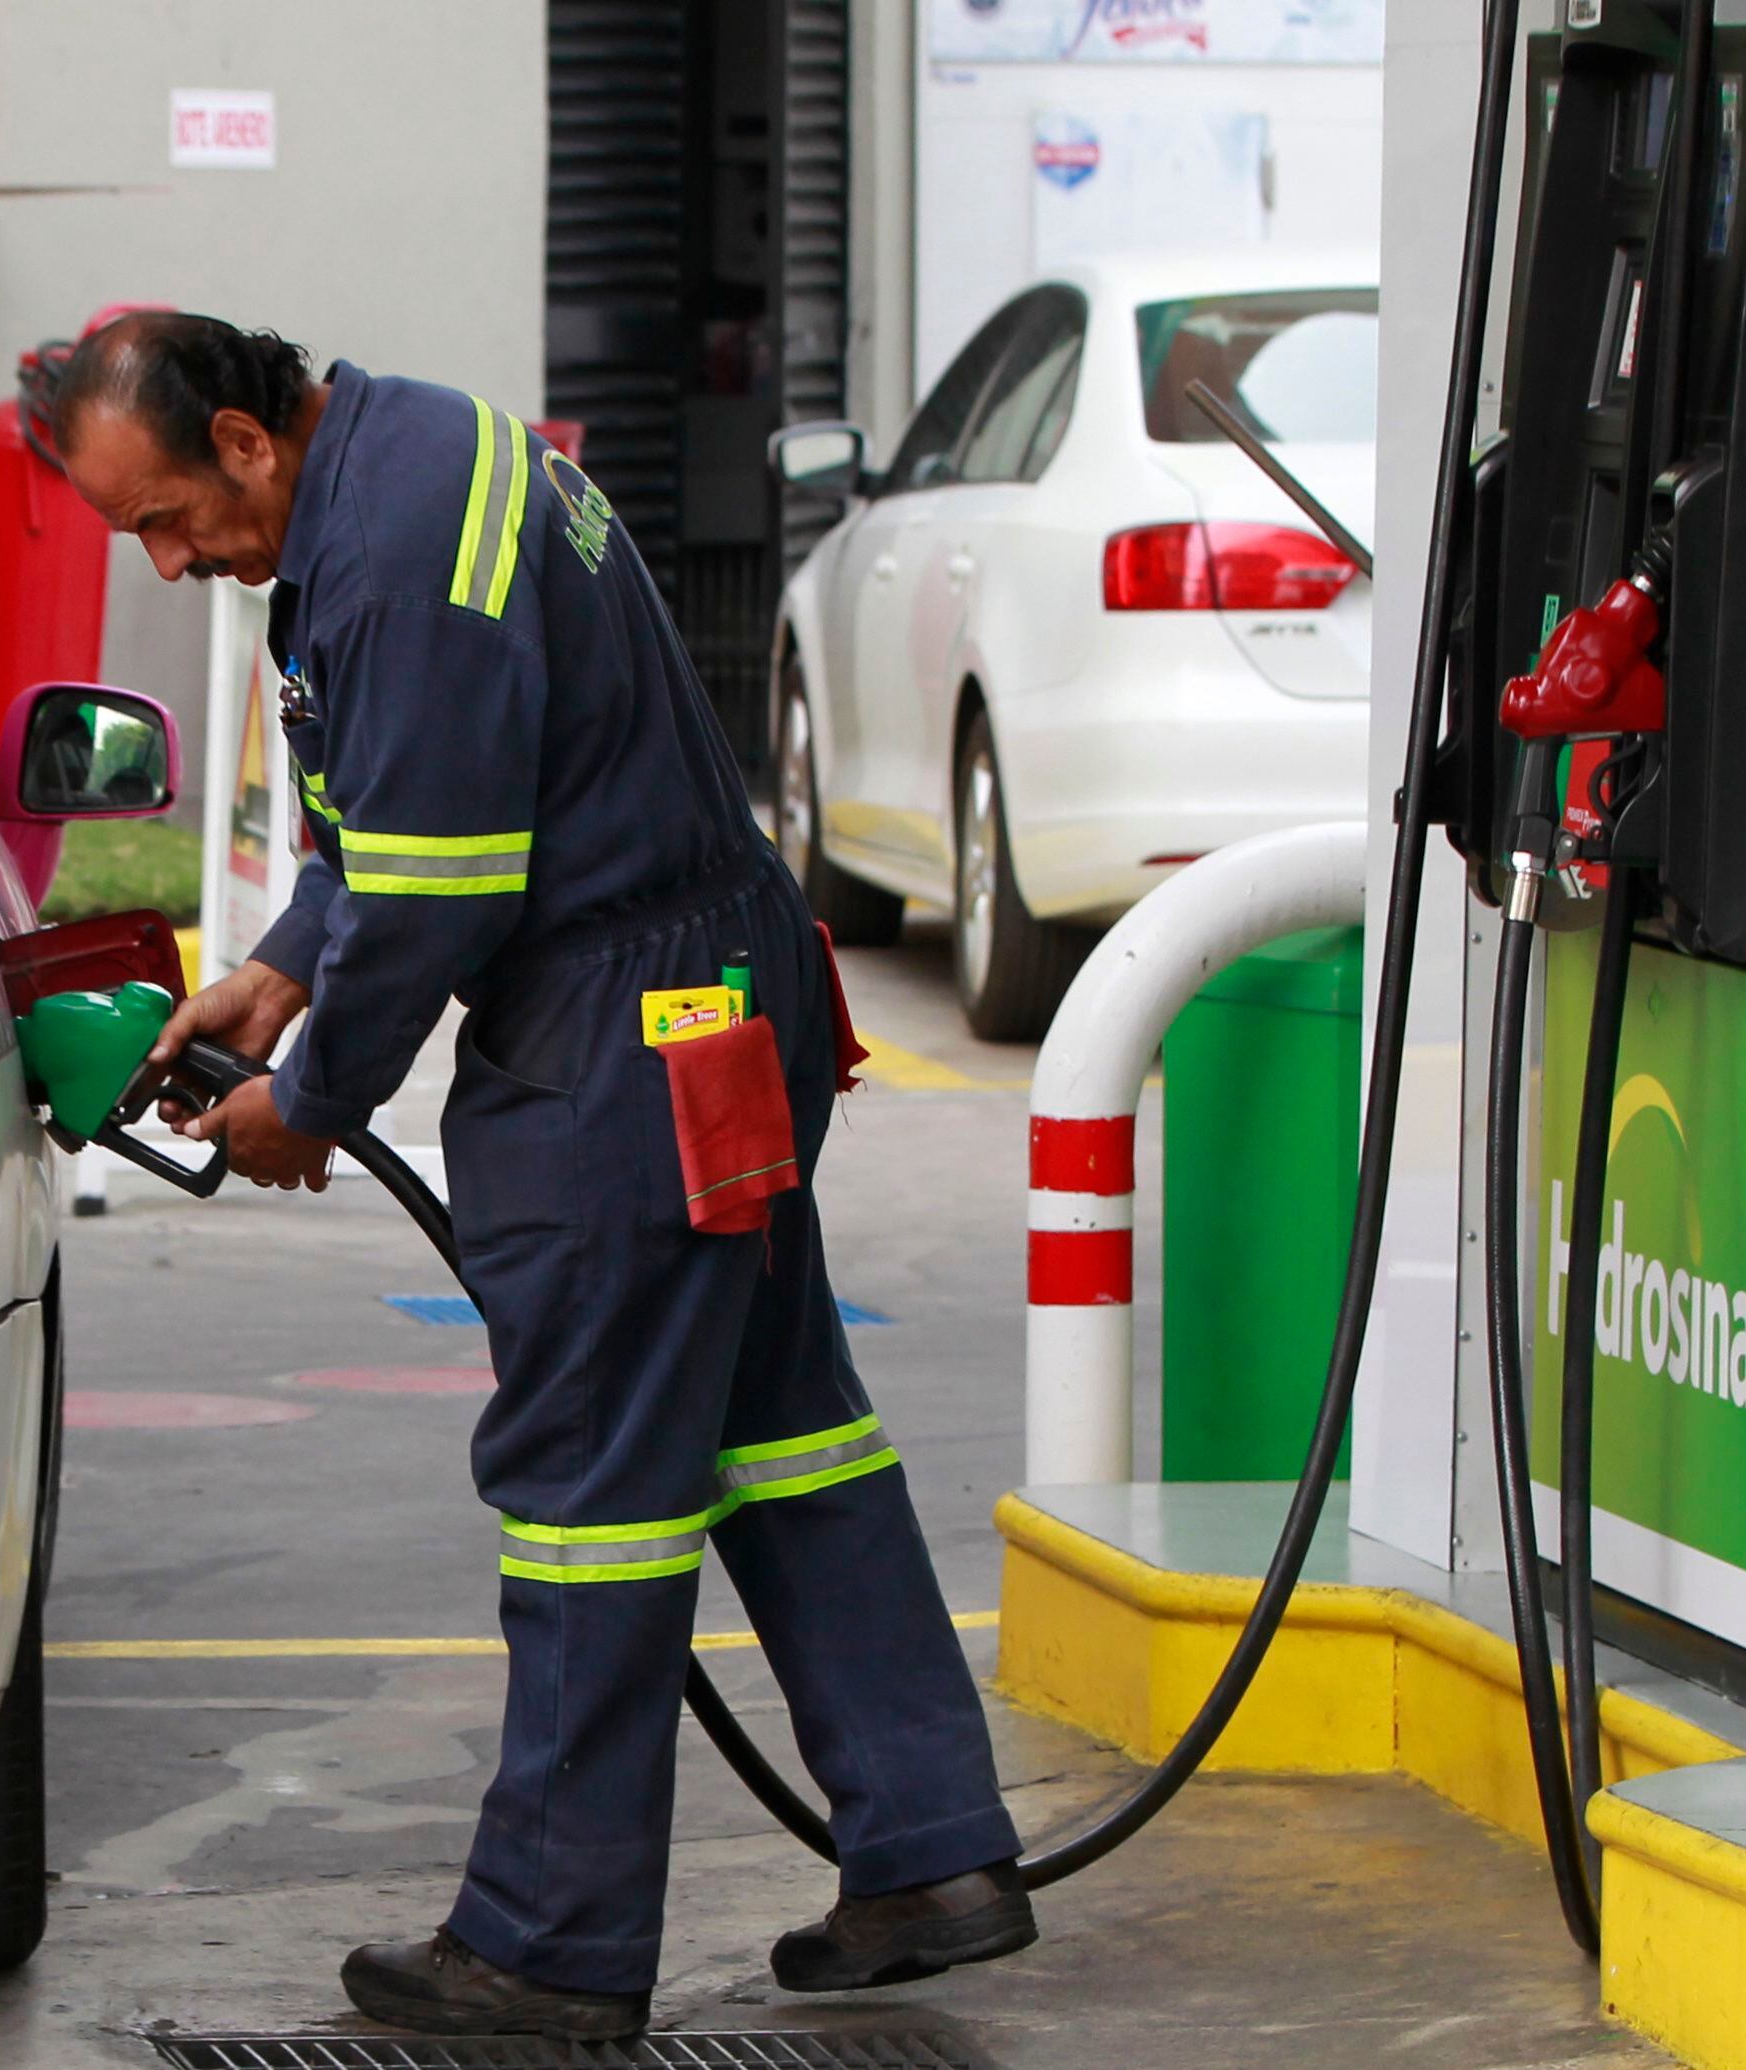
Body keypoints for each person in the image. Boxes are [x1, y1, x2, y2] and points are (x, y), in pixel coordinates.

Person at [52, 312, 1030, 2043]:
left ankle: (551, 1944)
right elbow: (408, 804)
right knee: (782, 1421)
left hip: (625, 1032)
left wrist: (315, 1094)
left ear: (244, 440)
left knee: (592, 1488)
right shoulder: (411, 449)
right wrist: (279, 969)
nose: (169, 559)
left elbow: (437, 881)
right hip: (716, 994)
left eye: (165, 518)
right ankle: (930, 1845)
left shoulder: (394, 547)